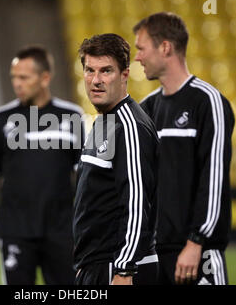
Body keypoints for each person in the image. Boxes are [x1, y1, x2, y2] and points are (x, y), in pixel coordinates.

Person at [133, 12, 235, 285]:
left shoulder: (208, 101)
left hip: (196, 254)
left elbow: (213, 178)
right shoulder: (146, 109)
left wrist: (196, 241)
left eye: (141, 48)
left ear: (165, 47)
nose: (137, 58)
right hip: (154, 255)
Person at [0, 46, 83, 285]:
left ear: (45, 78)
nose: (17, 84)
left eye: (24, 77)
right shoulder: (1, 119)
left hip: (63, 232)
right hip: (16, 230)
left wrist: (88, 227)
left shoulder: (72, 116)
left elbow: (86, 177)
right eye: (14, 77)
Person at [73, 33, 160, 285]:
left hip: (119, 269)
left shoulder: (130, 126)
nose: (96, 80)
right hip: (97, 266)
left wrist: (124, 270)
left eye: (106, 71)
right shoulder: (103, 122)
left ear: (125, 75)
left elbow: (136, 202)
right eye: (89, 70)